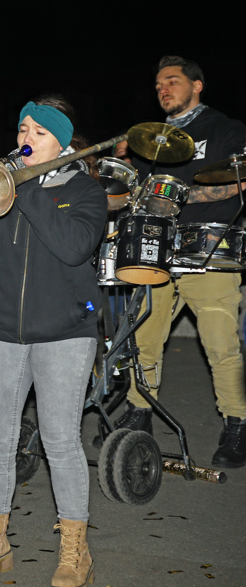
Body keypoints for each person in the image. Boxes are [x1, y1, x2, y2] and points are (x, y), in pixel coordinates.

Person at [0, 96, 107, 587]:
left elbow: (74, 246)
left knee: (60, 441)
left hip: (65, 333)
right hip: (1, 331)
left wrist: (26, 188)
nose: (24, 136)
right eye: (21, 128)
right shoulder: (0, 193)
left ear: (60, 138)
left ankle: (76, 549)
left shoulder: (85, 192)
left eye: (36, 129)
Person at [115, 56, 246, 469]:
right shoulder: (153, 137)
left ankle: (237, 424)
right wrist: (125, 166)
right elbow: (135, 192)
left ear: (197, 85)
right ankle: (139, 414)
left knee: (221, 345)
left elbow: (238, 182)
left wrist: (182, 195)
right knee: (144, 338)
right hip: (158, 247)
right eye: (158, 86)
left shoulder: (224, 128)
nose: (163, 90)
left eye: (172, 81)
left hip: (208, 248)